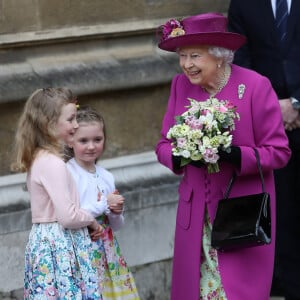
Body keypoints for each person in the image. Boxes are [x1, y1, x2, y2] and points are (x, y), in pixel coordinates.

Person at [155, 12, 291, 300]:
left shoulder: (255, 86)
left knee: (237, 292)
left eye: (195, 56)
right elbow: (163, 145)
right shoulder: (180, 86)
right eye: (182, 56)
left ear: (219, 56)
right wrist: (181, 155)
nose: (186, 65)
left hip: (240, 210)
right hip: (196, 214)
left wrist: (234, 155)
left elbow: (279, 152)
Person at [227, 2, 300, 299]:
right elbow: (240, 62)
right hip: (267, 129)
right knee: (282, 213)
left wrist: (296, 103)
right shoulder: (244, 3)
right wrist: (272, 108)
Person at [11, 88, 104, 299]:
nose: (76, 125)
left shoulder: (40, 158)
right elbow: (68, 216)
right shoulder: (53, 163)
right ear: (49, 123)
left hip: (48, 241)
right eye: (70, 119)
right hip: (60, 244)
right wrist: (91, 220)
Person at [66, 106, 140, 300]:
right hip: (82, 249)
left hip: (108, 250)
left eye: (97, 139)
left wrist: (116, 212)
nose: (91, 146)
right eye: (84, 140)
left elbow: (116, 225)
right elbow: (72, 213)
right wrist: (104, 204)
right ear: (70, 141)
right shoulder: (68, 173)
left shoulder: (106, 176)